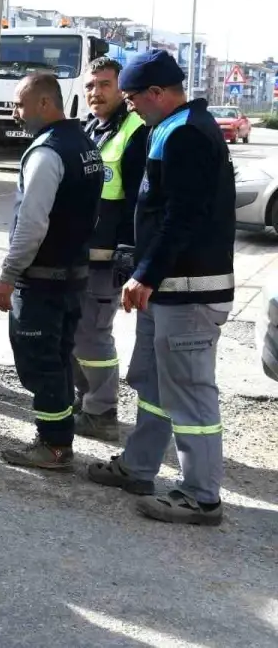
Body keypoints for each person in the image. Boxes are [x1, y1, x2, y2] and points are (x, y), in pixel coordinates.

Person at [86, 49, 235, 526]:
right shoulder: (169, 129)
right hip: (166, 289)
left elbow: (183, 217)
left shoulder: (188, 134)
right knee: (153, 384)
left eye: (132, 98)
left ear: (156, 94)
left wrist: (145, 273)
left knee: (190, 393)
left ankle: (200, 495)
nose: (130, 106)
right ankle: (139, 465)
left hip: (189, 291)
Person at [0, 73, 102, 470]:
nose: (16, 113)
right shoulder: (85, 145)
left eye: (20, 104)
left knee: (41, 363)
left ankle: (54, 447)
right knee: (58, 356)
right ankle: (58, 437)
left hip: (42, 281)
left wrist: (7, 275)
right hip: (74, 276)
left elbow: (32, 224)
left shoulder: (47, 153)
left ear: (43, 104)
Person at [71, 57, 147, 441]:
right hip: (80, 253)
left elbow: (140, 199)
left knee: (94, 335)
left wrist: (128, 250)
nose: (95, 92)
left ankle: (102, 413)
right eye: (90, 86)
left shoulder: (135, 131)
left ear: (121, 88)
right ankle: (85, 402)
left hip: (106, 258)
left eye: (104, 84)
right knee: (75, 332)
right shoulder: (91, 128)